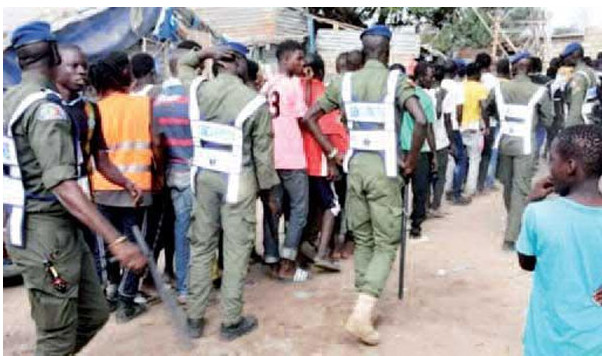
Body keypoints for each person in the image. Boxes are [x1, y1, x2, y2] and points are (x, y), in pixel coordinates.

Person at [3, 21, 146, 354]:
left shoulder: (12, 99)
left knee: (93, 314)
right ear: (54, 55)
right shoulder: (45, 109)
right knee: (56, 334)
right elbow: (63, 185)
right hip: (46, 229)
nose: (81, 71)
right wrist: (118, 240)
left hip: (50, 226)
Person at [303, 24, 428, 346]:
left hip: (354, 168)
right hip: (385, 171)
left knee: (364, 238)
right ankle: (362, 311)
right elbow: (422, 120)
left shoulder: (344, 82)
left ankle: (364, 306)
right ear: (386, 51)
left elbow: (309, 117)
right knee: (386, 242)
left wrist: (332, 153)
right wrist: (411, 161)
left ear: (365, 50)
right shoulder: (395, 80)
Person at [185, 41, 279, 341]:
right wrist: (271, 193)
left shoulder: (199, 91)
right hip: (238, 179)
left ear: (218, 61)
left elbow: (183, 66)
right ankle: (230, 320)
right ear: (238, 63)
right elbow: (264, 160)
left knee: (201, 246)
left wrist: (204, 54)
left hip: (203, 176)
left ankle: (194, 318)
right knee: (236, 250)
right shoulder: (254, 102)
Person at [517, 125, 602, 355]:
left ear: (571, 166)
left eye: (552, 160)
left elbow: (527, 262)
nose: (549, 169)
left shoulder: (539, 214)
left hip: (547, 344)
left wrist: (531, 202)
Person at [88, 51, 156, 322]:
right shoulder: (143, 105)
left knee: (111, 243)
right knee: (137, 245)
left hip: (102, 187)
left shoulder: (92, 109)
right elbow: (157, 144)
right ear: (124, 73)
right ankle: (128, 300)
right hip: (137, 188)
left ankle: (113, 292)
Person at [486, 51, 553, 250]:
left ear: (513, 68)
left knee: (508, 184)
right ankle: (512, 236)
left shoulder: (499, 88)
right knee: (521, 187)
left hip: (505, 141)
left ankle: (513, 224)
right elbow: (548, 120)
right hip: (526, 144)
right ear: (530, 69)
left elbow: (487, 108)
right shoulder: (539, 91)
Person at [260, 40, 310, 282]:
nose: (303, 63)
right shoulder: (294, 85)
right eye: (299, 59)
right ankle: (288, 262)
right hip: (291, 155)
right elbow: (303, 117)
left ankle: (271, 258)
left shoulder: (267, 86)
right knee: (299, 209)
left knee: (273, 209)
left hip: (270, 156)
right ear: (286, 59)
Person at [150, 47, 195, 305]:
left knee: (175, 225)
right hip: (189, 168)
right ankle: (186, 286)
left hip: (168, 169)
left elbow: (156, 140)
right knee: (188, 229)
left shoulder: (158, 100)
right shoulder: (191, 98)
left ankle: (178, 281)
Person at [301, 52, 348, 271]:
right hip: (318, 159)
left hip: (297, 160)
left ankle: (304, 247)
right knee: (333, 205)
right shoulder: (324, 94)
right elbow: (328, 129)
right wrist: (332, 158)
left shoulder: (296, 90)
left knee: (309, 206)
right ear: (321, 72)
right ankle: (320, 253)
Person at [400, 62, 437, 238]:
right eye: (430, 76)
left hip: (401, 150)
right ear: (421, 77)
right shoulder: (424, 98)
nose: (433, 79)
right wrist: (434, 154)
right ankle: (416, 225)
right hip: (419, 151)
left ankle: (398, 224)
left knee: (398, 189)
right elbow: (427, 128)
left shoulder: (398, 96)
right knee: (420, 190)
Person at [426, 63, 454, 218]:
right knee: (440, 175)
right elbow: (447, 119)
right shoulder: (445, 94)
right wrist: (452, 141)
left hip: (423, 141)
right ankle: (435, 206)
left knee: (425, 176)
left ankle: (424, 205)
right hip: (440, 140)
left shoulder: (421, 92)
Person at [457, 62, 488, 198]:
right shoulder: (481, 88)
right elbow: (484, 108)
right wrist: (485, 125)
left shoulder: (460, 86)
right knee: (475, 159)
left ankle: (456, 184)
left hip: (459, 126)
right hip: (474, 126)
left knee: (460, 158)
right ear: (477, 74)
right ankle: (470, 189)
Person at [441, 60, 469, 205]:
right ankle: (456, 192)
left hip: (439, 127)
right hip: (453, 126)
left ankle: (440, 192)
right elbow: (459, 110)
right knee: (460, 159)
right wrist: (458, 123)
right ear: (454, 72)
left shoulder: (438, 84)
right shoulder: (457, 87)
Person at [475, 53, 498, 194]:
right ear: (489, 65)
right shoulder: (493, 81)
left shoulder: (471, 77)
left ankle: (468, 180)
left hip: (471, 121)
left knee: (473, 153)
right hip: (490, 121)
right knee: (486, 153)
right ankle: (482, 183)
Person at [561, 42, 599, 127]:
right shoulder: (589, 71)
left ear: (575, 55)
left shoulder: (579, 77)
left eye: (566, 56)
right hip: (591, 121)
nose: (564, 60)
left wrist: (568, 130)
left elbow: (576, 108)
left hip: (580, 125)